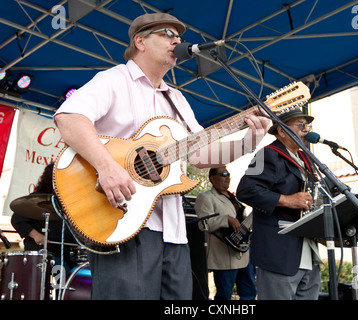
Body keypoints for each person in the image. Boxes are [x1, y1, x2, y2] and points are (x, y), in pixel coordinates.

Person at [53, 12, 270, 300]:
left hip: (174, 231)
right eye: (167, 34)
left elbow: (200, 154)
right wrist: (107, 167)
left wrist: (248, 140)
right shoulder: (114, 80)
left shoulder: (177, 99)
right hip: (122, 219)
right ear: (140, 41)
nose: (177, 41)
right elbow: (69, 118)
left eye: (179, 36)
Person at [236, 108, 322, 300]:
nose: (306, 130)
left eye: (307, 125)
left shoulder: (307, 161)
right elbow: (246, 190)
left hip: (308, 251)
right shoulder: (266, 154)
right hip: (279, 252)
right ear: (282, 131)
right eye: (300, 125)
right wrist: (286, 200)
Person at [195, 166, 256, 300]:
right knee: (224, 294)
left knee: (249, 293)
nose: (227, 177)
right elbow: (203, 224)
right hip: (224, 255)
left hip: (243, 253)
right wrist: (226, 219)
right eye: (223, 174)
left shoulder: (235, 199)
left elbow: (241, 222)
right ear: (212, 178)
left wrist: (249, 234)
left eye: (228, 175)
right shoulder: (206, 197)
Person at [11, 163, 77, 274]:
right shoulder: (37, 199)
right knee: (64, 277)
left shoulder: (69, 201)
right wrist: (36, 235)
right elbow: (17, 220)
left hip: (69, 254)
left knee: (82, 278)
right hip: (46, 253)